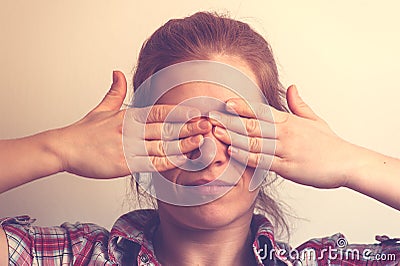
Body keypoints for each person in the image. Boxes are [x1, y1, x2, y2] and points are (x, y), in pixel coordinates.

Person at [0, 11, 399, 265]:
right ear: (133, 149)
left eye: (236, 128)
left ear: (278, 143)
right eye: (178, 130)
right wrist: (58, 150)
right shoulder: (62, 258)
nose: (207, 154)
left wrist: (353, 164)